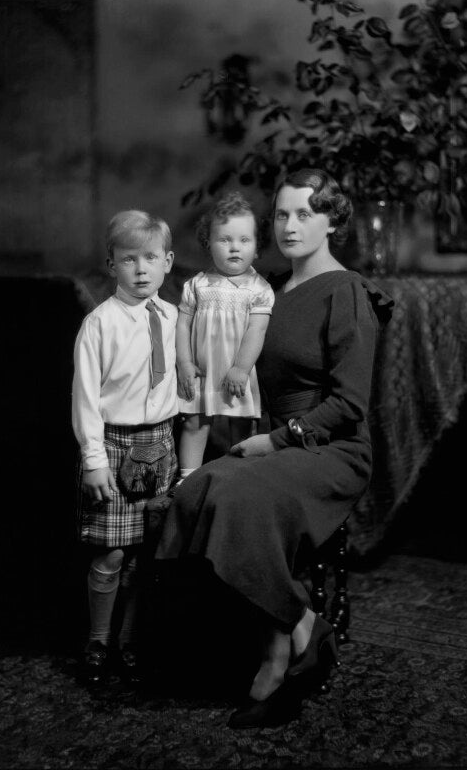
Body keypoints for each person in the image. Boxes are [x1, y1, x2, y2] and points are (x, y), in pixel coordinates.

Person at [156, 168, 393, 727]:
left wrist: (277, 440)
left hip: (330, 449)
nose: (290, 225)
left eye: (305, 214)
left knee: (238, 497)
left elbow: (349, 405)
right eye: (282, 214)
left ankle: (276, 655)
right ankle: (307, 625)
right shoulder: (266, 289)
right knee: (202, 487)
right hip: (276, 444)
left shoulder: (347, 292)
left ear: (333, 221)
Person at [72, 210, 178, 685]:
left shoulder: (175, 318)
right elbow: (86, 397)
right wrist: (93, 460)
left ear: (168, 262)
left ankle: (131, 640)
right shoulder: (100, 323)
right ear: (110, 264)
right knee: (112, 553)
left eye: (150, 258)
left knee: (145, 554)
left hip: (161, 443)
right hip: (114, 446)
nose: (141, 269)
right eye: (129, 259)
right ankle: (98, 641)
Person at [175, 191, 274, 483]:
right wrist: (184, 362)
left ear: (257, 248)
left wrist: (241, 368)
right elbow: (183, 325)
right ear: (208, 243)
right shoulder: (197, 285)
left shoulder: (259, 289)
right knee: (194, 423)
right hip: (201, 370)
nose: (234, 248)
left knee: (240, 424)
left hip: (235, 370)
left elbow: (257, 331)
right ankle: (187, 478)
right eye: (225, 239)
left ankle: (235, 477)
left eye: (244, 240)